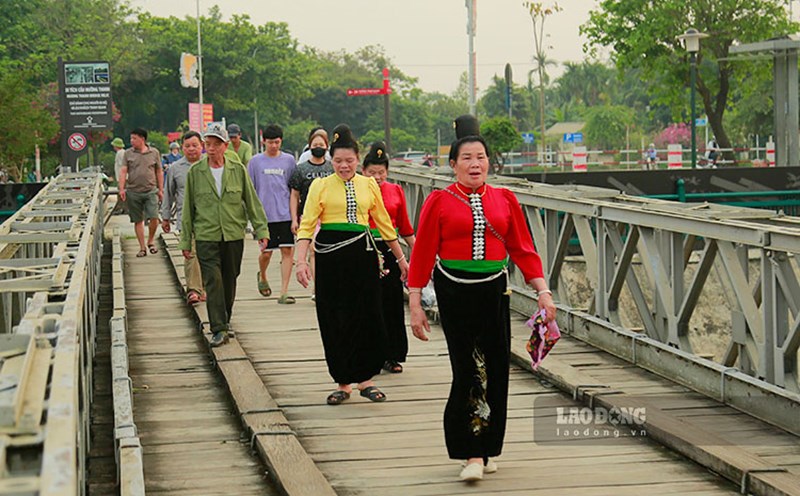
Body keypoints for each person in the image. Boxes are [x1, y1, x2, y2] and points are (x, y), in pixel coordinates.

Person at [407, 115, 557, 482]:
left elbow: (522, 247)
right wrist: (415, 302)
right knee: (468, 368)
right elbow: (424, 252)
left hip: (494, 289)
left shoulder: (504, 199)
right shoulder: (439, 201)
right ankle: (470, 451)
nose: (475, 164)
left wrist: (543, 291)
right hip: (454, 290)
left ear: (490, 161)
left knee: (496, 368)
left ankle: (488, 446)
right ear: (453, 164)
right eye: (467, 158)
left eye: (481, 157)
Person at [295, 124, 409, 405]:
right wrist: (300, 261)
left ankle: (366, 380)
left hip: (362, 254)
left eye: (349, 161)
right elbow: (307, 226)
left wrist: (401, 258)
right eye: (338, 161)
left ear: (358, 160)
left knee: (367, 314)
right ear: (330, 160)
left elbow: (384, 224)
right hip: (330, 257)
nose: (343, 166)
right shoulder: (319, 186)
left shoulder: (369, 184)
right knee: (335, 316)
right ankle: (343, 382)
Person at [180, 122, 270, 347]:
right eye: (207, 144)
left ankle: (225, 320)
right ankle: (218, 328)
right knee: (213, 281)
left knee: (230, 278)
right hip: (206, 235)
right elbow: (188, 209)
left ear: (226, 145)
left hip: (232, 235)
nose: (211, 149)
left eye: (216, 144)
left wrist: (261, 230)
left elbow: (251, 201)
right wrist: (185, 240)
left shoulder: (237, 170)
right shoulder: (196, 172)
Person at [362, 141, 416, 374]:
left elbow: (404, 226)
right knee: (368, 303)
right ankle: (370, 354)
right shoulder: (357, 190)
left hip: (391, 249)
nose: (377, 177)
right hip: (364, 247)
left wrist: (418, 254)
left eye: (381, 172)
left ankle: (393, 354)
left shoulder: (396, 191)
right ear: (363, 171)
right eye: (372, 172)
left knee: (392, 302)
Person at [248, 124, 298, 304]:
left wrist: (295, 217)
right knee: (267, 253)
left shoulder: (289, 160)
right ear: (264, 142)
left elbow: (293, 189)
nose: (274, 146)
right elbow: (250, 190)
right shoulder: (255, 162)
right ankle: (262, 275)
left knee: (287, 251)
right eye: (270, 143)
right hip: (264, 216)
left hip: (284, 213)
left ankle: (284, 291)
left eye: (277, 142)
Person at [161, 131, 205, 305]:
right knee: (190, 253)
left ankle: (206, 288)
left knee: (207, 255)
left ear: (201, 146)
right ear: (182, 148)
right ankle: (193, 290)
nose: (191, 149)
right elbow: (168, 195)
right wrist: (165, 218)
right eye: (187, 146)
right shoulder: (175, 168)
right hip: (185, 219)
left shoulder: (210, 165)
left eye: (195, 145)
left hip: (209, 219)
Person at [289, 129, 334, 298]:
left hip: (329, 215)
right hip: (308, 216)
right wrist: (294, 219)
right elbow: (294, 195)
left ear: (326, 146)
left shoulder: (332, 167)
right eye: (315, 145)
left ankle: (327, 284)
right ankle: (318, 287)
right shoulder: (301, 169)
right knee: (314, 251)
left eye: (321, 145)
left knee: (327, 252)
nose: (318, 147)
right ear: (309, 146)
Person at [119, 128, 163, 258]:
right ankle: (142, 247)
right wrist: (121, 188)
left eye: (134, 138)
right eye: (131, 138)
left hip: (150, 190)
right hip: (133, 191)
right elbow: (123, 171)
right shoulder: (128, 153)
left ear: (142, 139)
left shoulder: (154, 153)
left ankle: (150, 241)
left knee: (154, 217)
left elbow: (159, 171)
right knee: (138, 220)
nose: (132, 141)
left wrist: (161, 189)